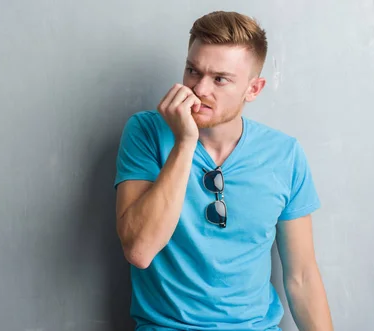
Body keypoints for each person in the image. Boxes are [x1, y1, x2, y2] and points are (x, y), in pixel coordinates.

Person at [113, 10, 334, 331]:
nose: (200, 89)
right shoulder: (146, 131)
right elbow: (139, 251)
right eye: (193, 71)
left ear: (253, 89)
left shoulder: (284, 154)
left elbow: (301, 276)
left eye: (220, 79)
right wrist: (185, 143)